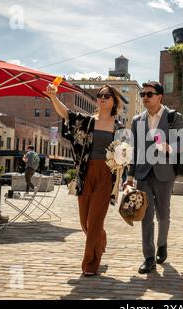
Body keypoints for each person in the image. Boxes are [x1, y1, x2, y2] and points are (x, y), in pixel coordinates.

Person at [45, 82, 124, 277]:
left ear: (114, 101)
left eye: (106, 96)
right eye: (100, 95)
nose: (102, 98)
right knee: (85, 222)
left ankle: (90, 263)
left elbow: (125, 155)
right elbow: (67, 114)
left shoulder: (119, 126)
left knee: (95, 219)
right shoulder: (87, 121)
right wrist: (53, 97)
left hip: (106, 174)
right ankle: (100, 238)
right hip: (85, 173)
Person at [123, 81, 183, 274]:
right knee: (145, 216)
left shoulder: (174, 117)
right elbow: (134, 150)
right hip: (143, 173)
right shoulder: (136, 120)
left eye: (149, 94)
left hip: (165, 173)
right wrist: (130, 176)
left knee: (163, 214)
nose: (145, 97)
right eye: (143, 94)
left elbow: (180, 144)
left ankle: (162, 245)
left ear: (160, 97)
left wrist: (169, 147)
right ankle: (148, 257)